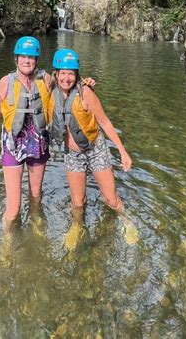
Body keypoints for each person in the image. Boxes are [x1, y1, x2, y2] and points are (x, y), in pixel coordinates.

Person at [47, 48, 138, 248]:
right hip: (72, 154)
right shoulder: (49, 89)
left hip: (96, 150)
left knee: (111, 199)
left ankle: (126, 221)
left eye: (71, 73)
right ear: (56, 73)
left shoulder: (85, 92)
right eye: (62, 72)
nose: (66, 78)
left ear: (77, 75)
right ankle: (77, 226)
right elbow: (31, 73)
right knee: (78, 203)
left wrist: (123, 152)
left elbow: (104, 122)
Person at [0, 36, 51, 230]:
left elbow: (68, 84)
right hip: (12, 145)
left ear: (36, 60)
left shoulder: (46, 79)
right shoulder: (5, 82)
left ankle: (36, 226)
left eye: (31, 57)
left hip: (38, 143)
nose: (27, 61)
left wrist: (85, 83)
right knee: (13, 207)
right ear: (16, 59)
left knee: (35, 194)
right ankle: (8, 243)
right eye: (23, 56)